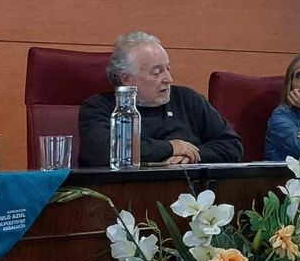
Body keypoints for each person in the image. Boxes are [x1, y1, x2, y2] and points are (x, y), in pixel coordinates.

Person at [78, 32, 243, 166]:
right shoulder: (99, 107)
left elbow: (232, 145)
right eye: (157, 72)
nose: (168, 79)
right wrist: (171, 147)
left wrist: (193, 155)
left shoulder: (188, 100)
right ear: (127, 79)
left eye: (168, 69)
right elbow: (104, 151)